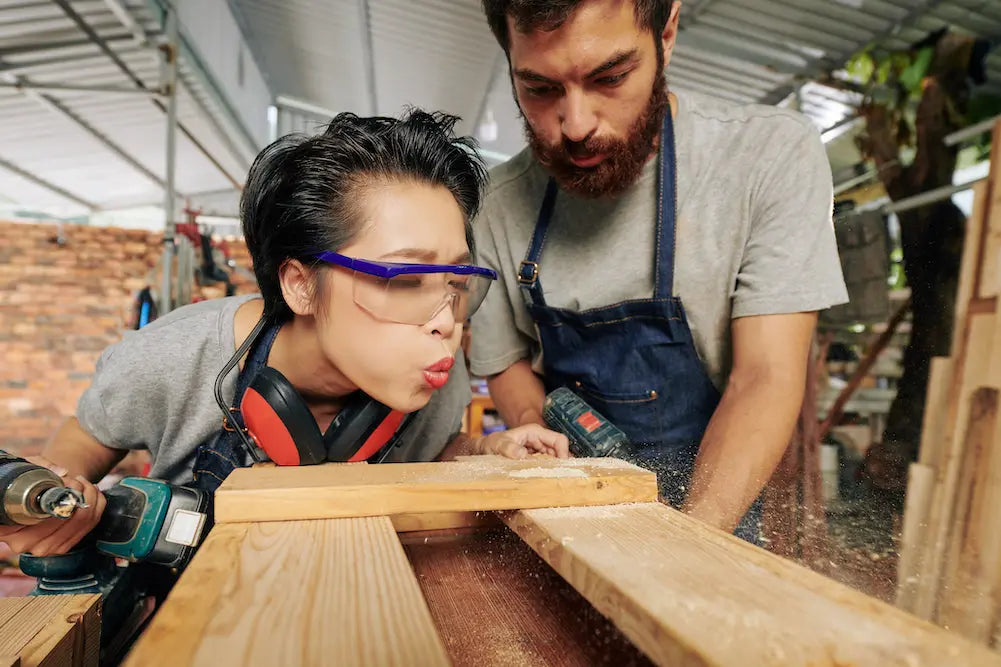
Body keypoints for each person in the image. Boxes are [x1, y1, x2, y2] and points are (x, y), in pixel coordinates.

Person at [0, 109, 568, 558]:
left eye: (456, 280)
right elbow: (90, 430)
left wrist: (486, 450)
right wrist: (55, 499)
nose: (446, 320)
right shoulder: (179, 354)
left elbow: (437, 452)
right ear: (299, 285)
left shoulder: (435, 370)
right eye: (407, 277)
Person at [470, 0, 849, 542]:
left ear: (666, 31)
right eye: (540, 88)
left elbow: (764, 376)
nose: (575, 126)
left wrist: (689, 549)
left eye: (610, 77)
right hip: (568, 504)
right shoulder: (496, 207)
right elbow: (504, 363)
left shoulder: (767, 158)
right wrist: (538, 433)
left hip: (719, 502)